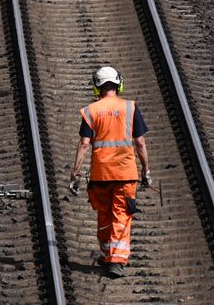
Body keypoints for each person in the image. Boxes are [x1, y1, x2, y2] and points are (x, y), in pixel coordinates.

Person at [70, 65, 151, 278]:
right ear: (118, 84)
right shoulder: (130, 108)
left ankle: (107, 256)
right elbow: (140, 143)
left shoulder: (91, 111)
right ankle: (116, 260)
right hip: (126, 174)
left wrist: (75, 173)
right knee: (121, 216)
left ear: (97, 87)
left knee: (104, 216)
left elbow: (84, 144)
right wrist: (146, 170)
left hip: (101, 175)